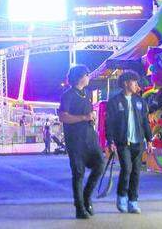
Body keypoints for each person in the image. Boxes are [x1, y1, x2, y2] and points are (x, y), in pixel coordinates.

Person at [59, 64, 105, 219]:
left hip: (90, 139)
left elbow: (87, 113)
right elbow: (63, 117)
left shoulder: (86, 93)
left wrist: (91, 116)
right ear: (80, 77)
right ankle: (79, 207)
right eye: (87, 74)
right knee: (78, 174)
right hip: (76, 141)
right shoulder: (68, 95)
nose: (89, 77)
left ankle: (86, 196)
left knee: (100, 165)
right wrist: (84, 118)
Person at [104, 70, 153, 214]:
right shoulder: (114, 102)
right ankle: (122, 197)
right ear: (126, 83)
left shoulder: (140, 101)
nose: (137, 85)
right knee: (127, 169)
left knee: (136, 172)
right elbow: (109, 123)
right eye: (134, 82)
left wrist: (149, 140)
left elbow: (145, 122)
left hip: (139, 142)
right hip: (123, 142)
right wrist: (110, 140)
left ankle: (133, 201)